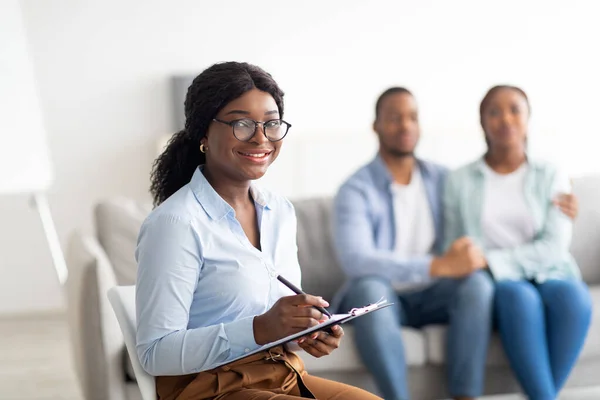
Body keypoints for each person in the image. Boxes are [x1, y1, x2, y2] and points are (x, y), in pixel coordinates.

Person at [135, 62, 381, 400]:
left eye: (271, 123)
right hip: (209, 389)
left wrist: (305, 332)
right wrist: (260, 328)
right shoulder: (175, 224)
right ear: (203, 133)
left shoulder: (280, 211)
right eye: (242, 123)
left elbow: (278, 324)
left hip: (281, 374)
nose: (261, 137)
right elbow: (155, 353)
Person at [332, 87, 579, 400]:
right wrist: (436, 265)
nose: (405, 125)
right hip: (387, 295)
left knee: (477, 285)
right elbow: (357, 259)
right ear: (376, 126)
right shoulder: (356, 189)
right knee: (367, 288)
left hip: (436, 292)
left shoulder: (442, 178)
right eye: (394, 118)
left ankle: (465, 396)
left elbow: (487, 206)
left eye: (412, 117)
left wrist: (564, 204)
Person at [443, 85, 592, 400]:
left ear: (528, 119)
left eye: (514, 110)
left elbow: (555, 245)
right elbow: (455, 244)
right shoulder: (459, 181)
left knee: (575, 298)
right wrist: (481, 264)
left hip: (550, 270)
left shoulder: (551, 173)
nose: (505, 119)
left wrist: (491, 259)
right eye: (494, 112)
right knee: (520, 298)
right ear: (482, 122)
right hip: (501, 282)